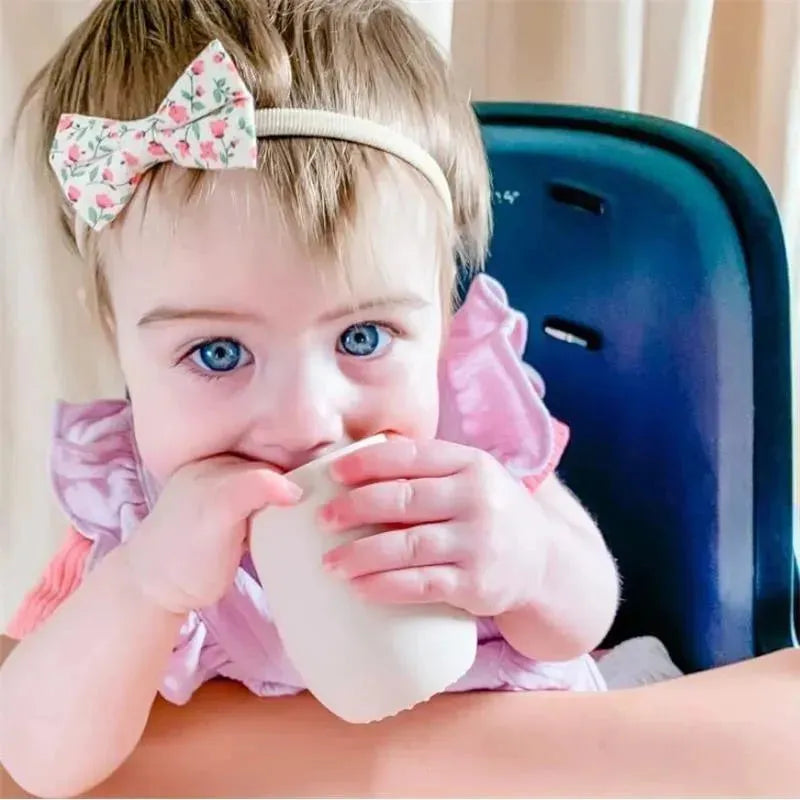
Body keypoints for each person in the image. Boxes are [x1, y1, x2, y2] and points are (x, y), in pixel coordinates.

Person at [0, 1, 622, 795]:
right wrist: (145, 589)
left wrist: (528, 561)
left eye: (363, 337)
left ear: (441, 316)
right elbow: (37, 760)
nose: (306, 421)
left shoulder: (464, 451)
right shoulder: (134, 523)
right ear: (118, 338)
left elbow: (583, 619)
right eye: (218, 353)